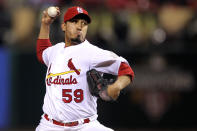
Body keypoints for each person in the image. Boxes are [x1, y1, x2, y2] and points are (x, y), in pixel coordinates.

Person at [36, 6, 134, 131]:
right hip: (49, 126)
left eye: (84, 23)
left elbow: (126, 69)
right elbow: (42, 52)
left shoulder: (92, 53)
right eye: (74, 22)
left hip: (85, 126)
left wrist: (117, 86)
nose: (79, 26)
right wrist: (45, 25)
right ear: (64, 26)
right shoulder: (55, 51)